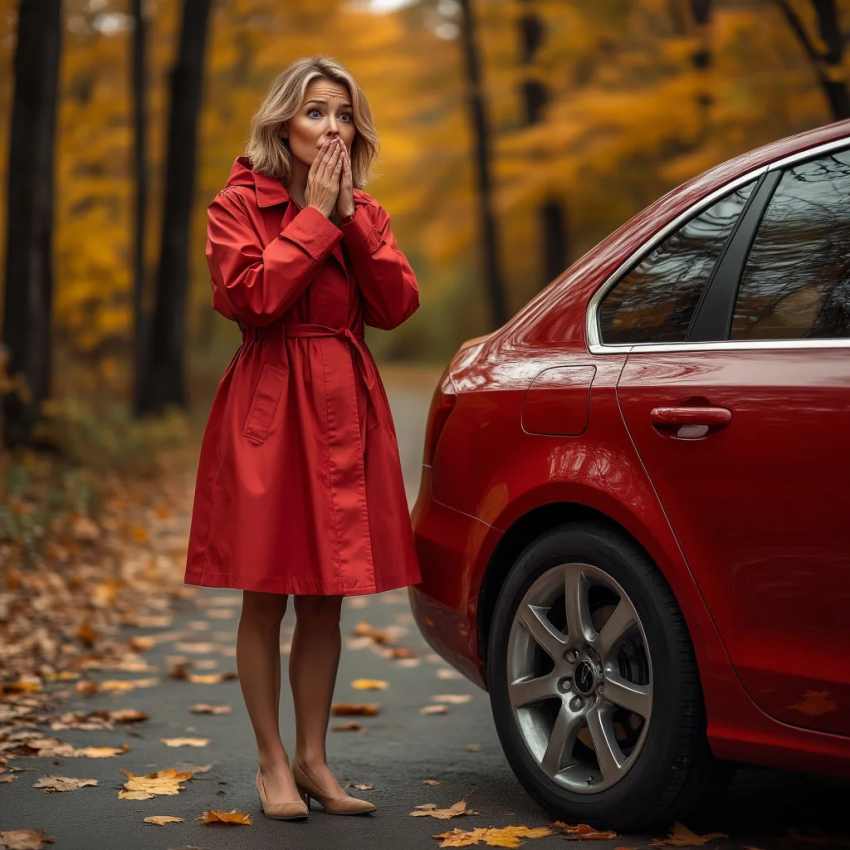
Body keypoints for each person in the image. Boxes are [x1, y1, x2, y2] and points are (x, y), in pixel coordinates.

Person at [183, 54, 422, 821]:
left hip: (342, 402)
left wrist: (348, 219)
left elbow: (395, 307)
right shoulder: (236, 205)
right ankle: (271, 763)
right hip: (268, 403)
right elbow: (251, 299)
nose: (331, 128)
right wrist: (313, 219)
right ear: (283, 121)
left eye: (343, 114)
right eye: (315, 112)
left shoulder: (365, 210)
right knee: (268, 592)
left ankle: (316, 760)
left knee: (327, 598)